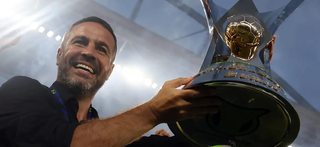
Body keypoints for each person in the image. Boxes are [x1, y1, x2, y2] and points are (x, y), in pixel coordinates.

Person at [0, 16, 223, 147]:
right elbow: (58, 142)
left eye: (101, 49)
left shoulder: (116, 136)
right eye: (80, 42)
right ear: (59, 55)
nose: (89, 53)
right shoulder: (20, 91)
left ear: (109, 71)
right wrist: (153, 113)